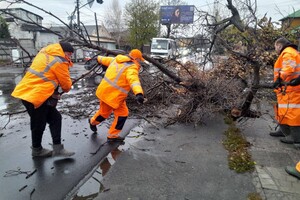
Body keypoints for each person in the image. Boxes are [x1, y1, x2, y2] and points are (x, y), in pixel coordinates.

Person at [11, 42, 75, 157]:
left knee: (55, 118)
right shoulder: (59, 61)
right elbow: (66, 86)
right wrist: (66, 84)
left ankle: (57, 149)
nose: (69, 57)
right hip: (36, 95)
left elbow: (47, 75)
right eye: (69, 54)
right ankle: (37, 150)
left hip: (30, 92)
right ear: (63, 51)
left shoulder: (44, 53)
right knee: (38, 123)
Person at [88, 49, 145, 142]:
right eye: (139, 60)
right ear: (136, 58)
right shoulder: (132, 67)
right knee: (122, 114)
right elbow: (133, 80)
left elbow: (103, 59)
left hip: (104, 92)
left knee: (103, 113)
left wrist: (96, 58)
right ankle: (112, 135)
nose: (139, 62)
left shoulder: (116, 59)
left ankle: (92, 122)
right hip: (115, 96)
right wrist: (139, 93)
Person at [273, 37, 300, 149]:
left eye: (275, 47)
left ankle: (295, 138)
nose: (275, 50)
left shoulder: (288, 52)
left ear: (279, 45)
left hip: (291, 89)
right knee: (283, 110)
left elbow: (288, 68)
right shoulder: (289, 52)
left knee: (292, 113)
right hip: (286, 89)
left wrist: (279, 79)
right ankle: (284, 131)